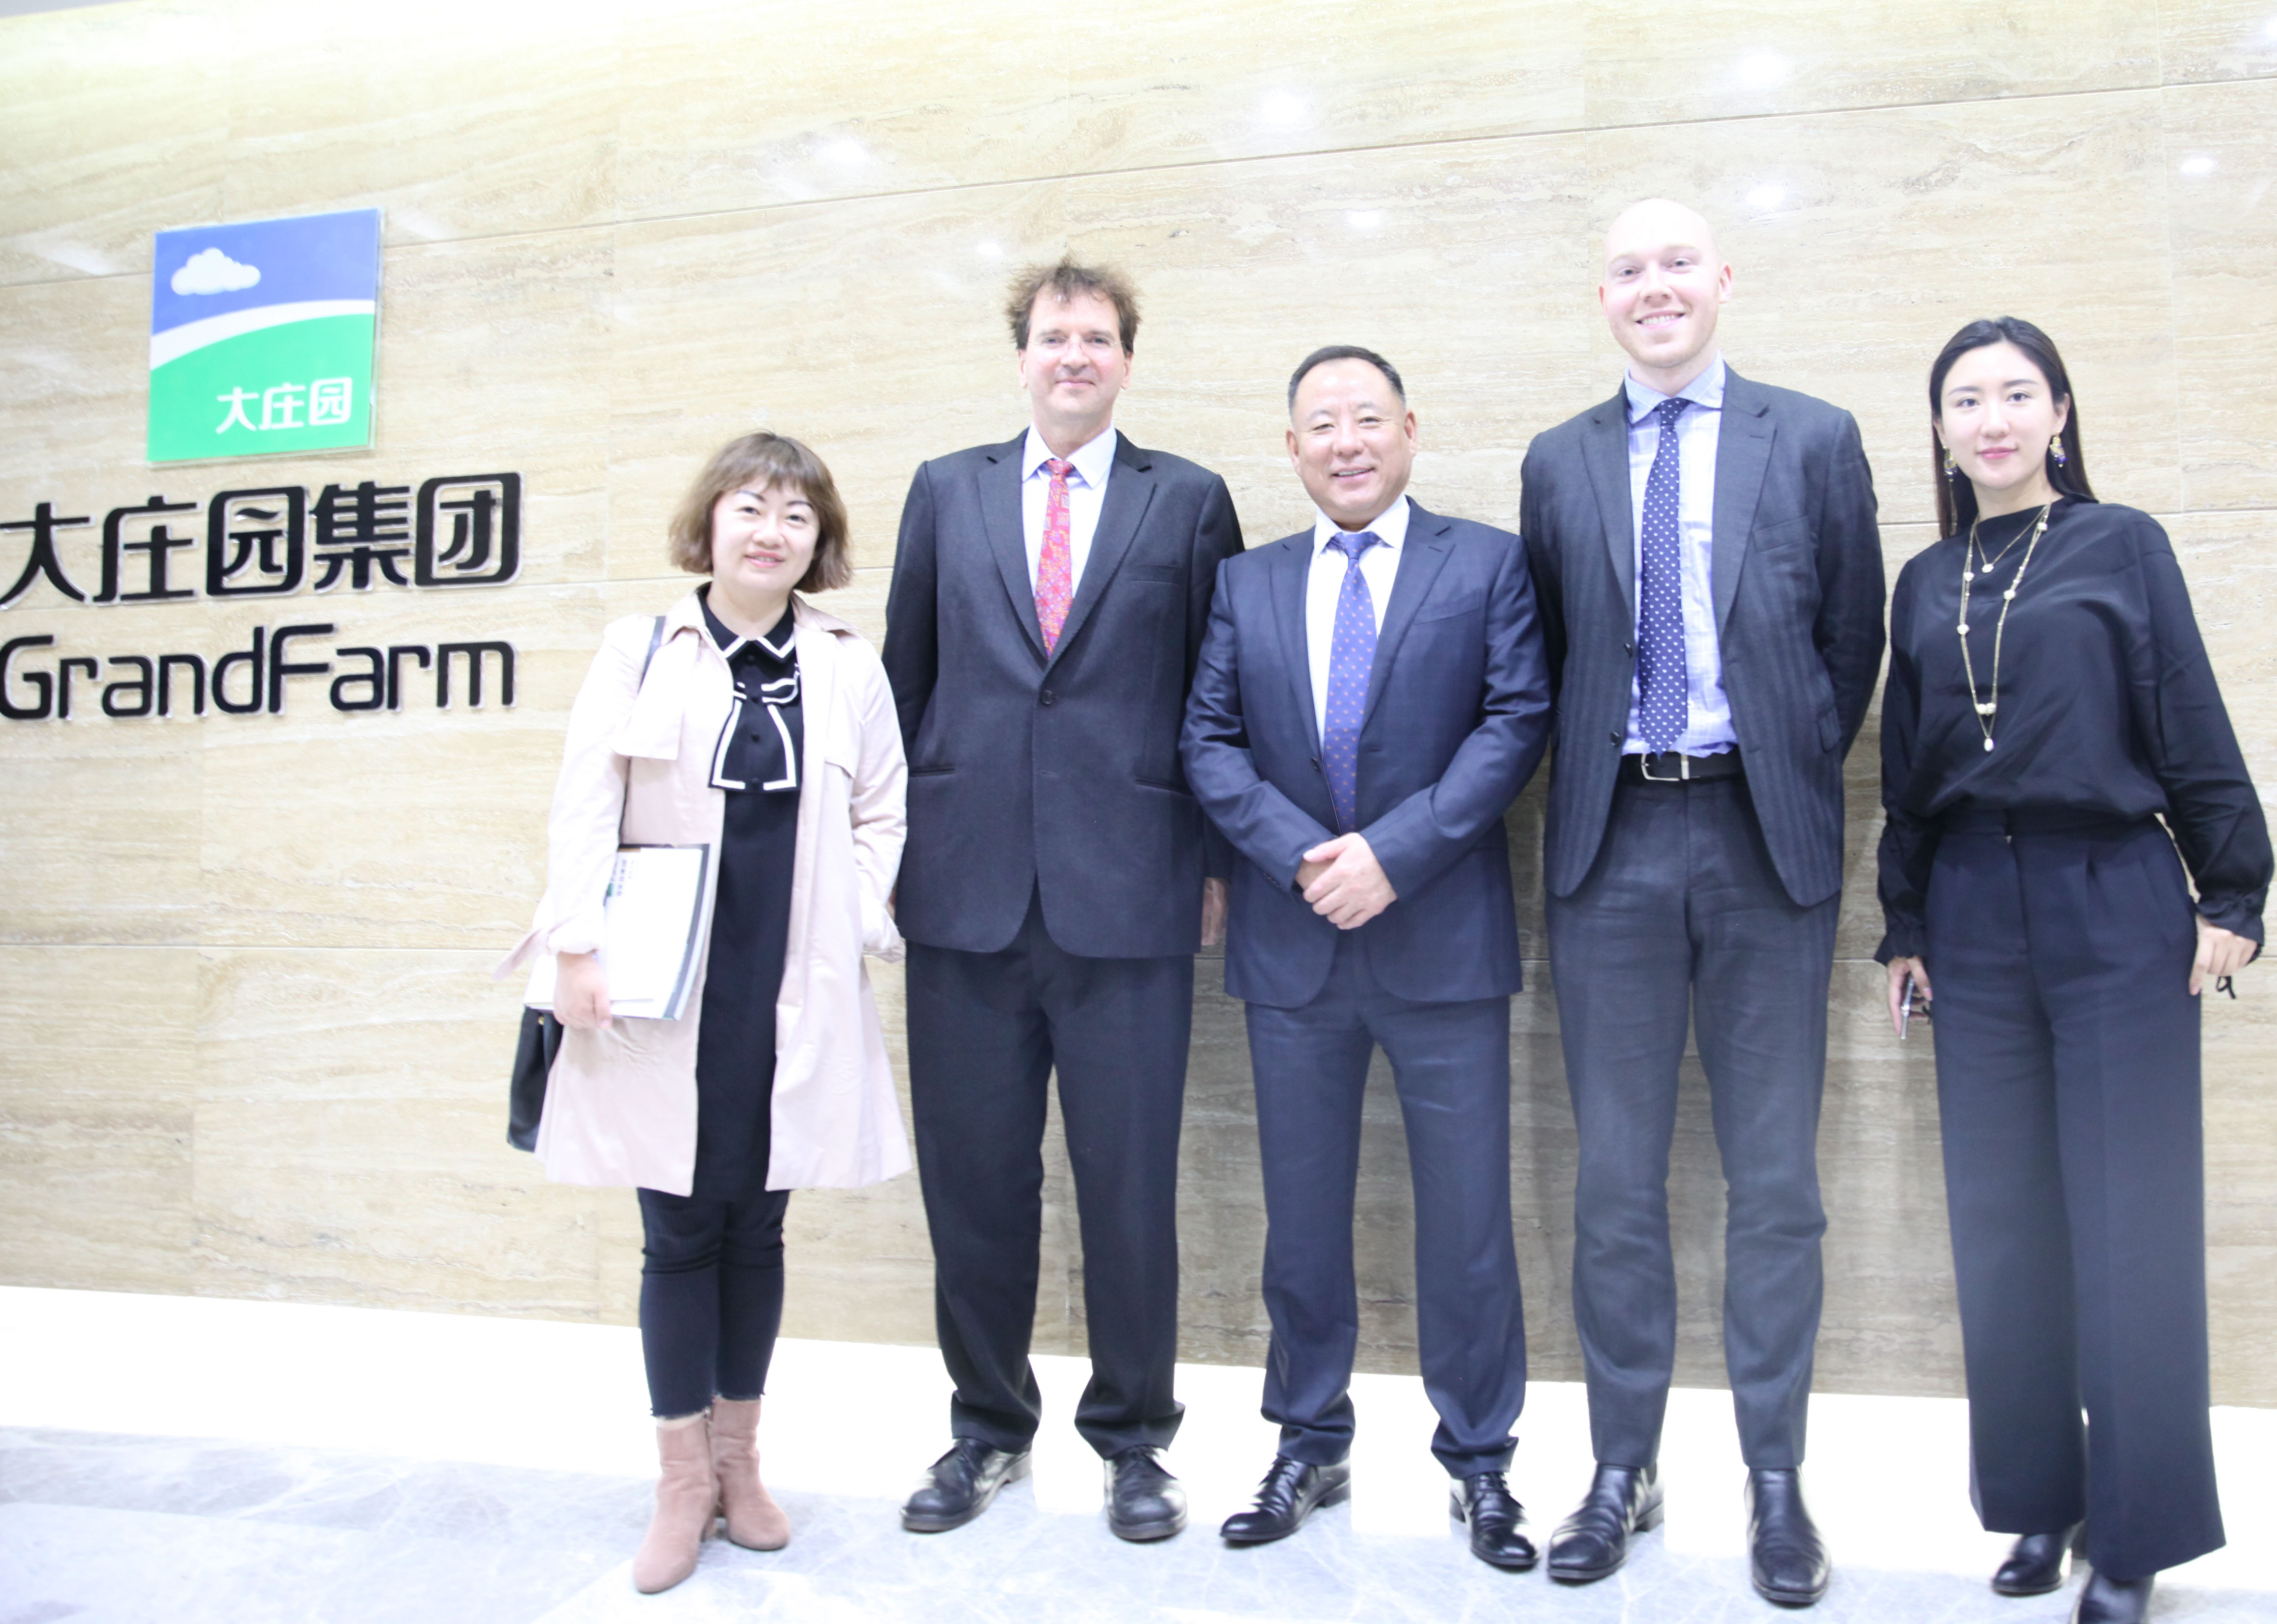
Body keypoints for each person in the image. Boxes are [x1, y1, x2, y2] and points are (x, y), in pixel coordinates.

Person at [1519, 198, 1886, 1606]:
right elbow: (1552, 652)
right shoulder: (1559, 460)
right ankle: (1624, 1466)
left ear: (1723, 279)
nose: (1654, 287)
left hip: (1761, 844)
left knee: (1776, 1184)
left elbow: (1848, 639)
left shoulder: (1815, 438)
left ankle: (1774, 1476)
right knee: (1615, 1183)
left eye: (1678, 263)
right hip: (1611, 844)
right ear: (1601, 296)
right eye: (1628, 269)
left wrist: (1782, 761)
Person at [1877, 319, 2271, 1624]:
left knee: (2129, 1223)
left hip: (2115, 899)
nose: (1991, 419)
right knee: (2004, 1223)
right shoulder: (1925, 580)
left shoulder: (2122, 545)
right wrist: (1906, 920)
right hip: (1971, 910)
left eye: (2016, 394)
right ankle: (2039, 1501)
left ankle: (2138, 1530)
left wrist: (2233, 888)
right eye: (1965, 400)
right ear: (1941, 432)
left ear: (2060, 413)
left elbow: (2186, 709)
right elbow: (1911, 771)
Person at [495, 433, 910, 1595]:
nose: (772, 532)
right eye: (751, 508)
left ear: (821, 541)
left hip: (791, 985)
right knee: (678, 1233)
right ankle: (681, 1483)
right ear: (711, 523)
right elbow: (585, 802)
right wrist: (578, 946)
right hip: (665, 990)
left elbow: (885, 809)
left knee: (759, 1229)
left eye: (797, 515)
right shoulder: (639, 648)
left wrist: (855, 914)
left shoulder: (846, 664)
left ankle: (742, 1465)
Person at [880, 257, 1242, 1543]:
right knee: (974, 1185)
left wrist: (1214, 863)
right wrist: (888, 861)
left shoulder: (1187, 499)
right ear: (1022, 356)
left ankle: (1136, 1442)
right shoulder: (946, 490)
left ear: (1127, 359)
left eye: (1096, 337)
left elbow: (1217, 697)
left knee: (1128, 1185)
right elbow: (904, 687)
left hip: (1130, 894)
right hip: (963, 893)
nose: (1073, 355)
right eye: (1052, 336)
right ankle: (987, 1427)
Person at [1182, 347, 1551, 1568]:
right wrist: (1304, 858)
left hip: (1443, 941)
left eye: (1367, 419)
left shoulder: (1486, 563)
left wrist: (1395, 854)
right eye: (1321, 424)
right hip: (1294, 946)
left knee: (1468, 1220)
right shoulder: (1245, 583)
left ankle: (1481, 1460)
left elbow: (1516, 720)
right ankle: (1308, 1440)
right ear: (1291, 448)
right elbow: (1209, 740)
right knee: (1300, 1220)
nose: (1347, 442)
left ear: (1409, 429)